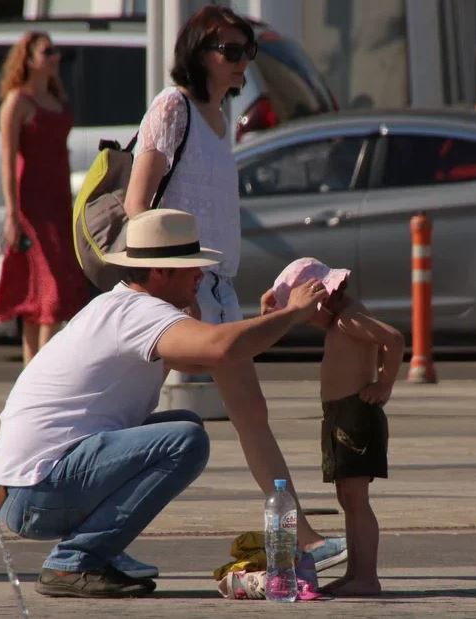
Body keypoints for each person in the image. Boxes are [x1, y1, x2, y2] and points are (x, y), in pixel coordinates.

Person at [0, 209, 332, 598]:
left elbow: (208, 358)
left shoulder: (117, 305)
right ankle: (75, 561)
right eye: (189, 268)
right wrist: (292, 314)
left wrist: (270, 322)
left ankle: (98, 550)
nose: (200, 276)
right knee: (184, 440)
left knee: (183, 422)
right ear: (159, 273)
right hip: (37, 493)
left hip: (27, 489)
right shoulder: (140, 313)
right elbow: (221, 347)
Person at [121, 6, 348, 570]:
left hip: (214, 287)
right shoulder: (173, 107)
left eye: (248, 50)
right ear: (199, 53)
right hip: (171, 288)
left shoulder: (220, 117)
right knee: (125, 411)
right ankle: (90, 531)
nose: (242, 60)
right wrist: (175, 289)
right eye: (230, 51)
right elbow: (135, 205)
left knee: (251, 412)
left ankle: (300, 533)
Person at [260, 259, 404, 597]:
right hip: (342, 416)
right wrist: (272, 311)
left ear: (320, 297)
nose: (305, 320)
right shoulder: (340, 319)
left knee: (356, 500)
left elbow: (393, 340)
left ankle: (367, 576)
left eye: (305, 312)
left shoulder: (350, 318)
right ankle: (357, 573)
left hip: (355, 416)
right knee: (349, 499)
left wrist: (384, 384)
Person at [0, 32, 90, 366]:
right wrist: (12, 214)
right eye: (47, 51)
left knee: (40, 299)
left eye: (55, 50)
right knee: (51, 295)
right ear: (28, 59)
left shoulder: (56, 98)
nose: (55, 56)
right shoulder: (17, 102)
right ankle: (44, 373)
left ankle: (32, 374)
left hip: (59, 203)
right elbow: (7, 161)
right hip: (31, 207)